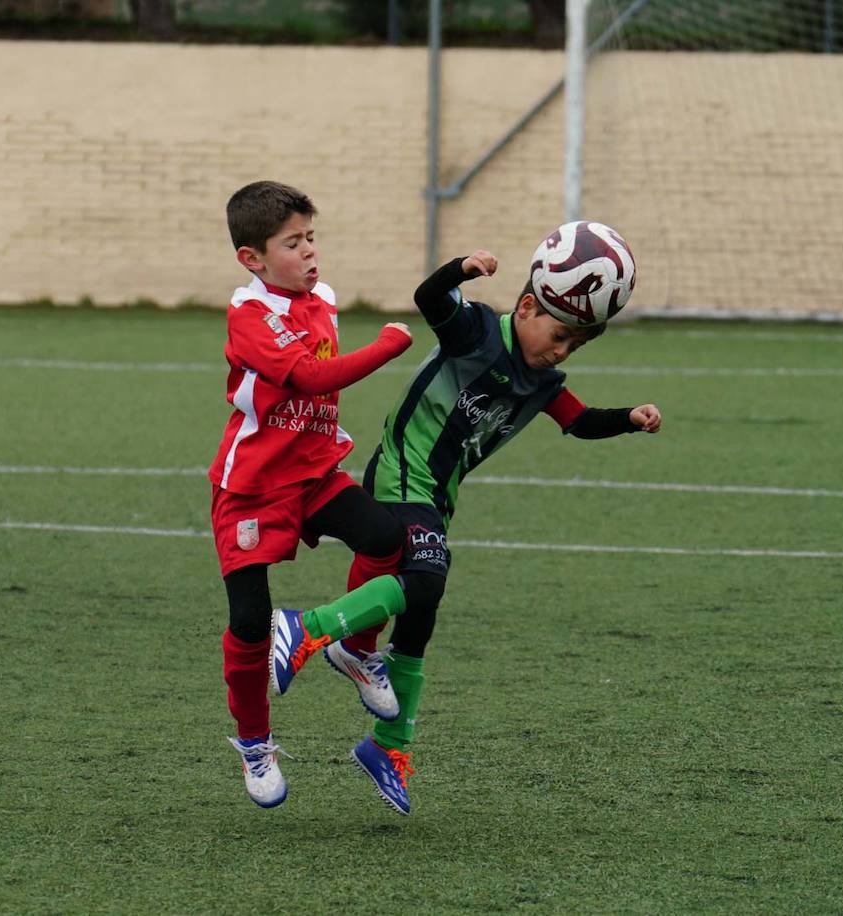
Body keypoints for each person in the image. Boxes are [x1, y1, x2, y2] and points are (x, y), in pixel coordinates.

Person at [269, 223, 662, 815]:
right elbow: (430, 299)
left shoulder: (543, 380)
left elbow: (579, 421)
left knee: (421, 615)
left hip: (438, 496)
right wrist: (461, 269)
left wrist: (630, 417)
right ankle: (308, 628)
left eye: (574, 346)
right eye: (558, 335)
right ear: (526, 306)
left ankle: (389, 748)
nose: (561, 351)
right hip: (404, 473)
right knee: (426, 577)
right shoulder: (476, 330)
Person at [212, 180, 429, 809]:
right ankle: (255, 744)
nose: (309, 253)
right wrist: (390, 345)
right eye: (292, 243)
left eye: (311, 238)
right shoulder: (250, 316)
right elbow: (309, 376)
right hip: (252, 487)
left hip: (313, 474)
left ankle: (355, 650)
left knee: (388, 538)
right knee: (251, 625)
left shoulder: (322, 297)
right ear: (252, 258)